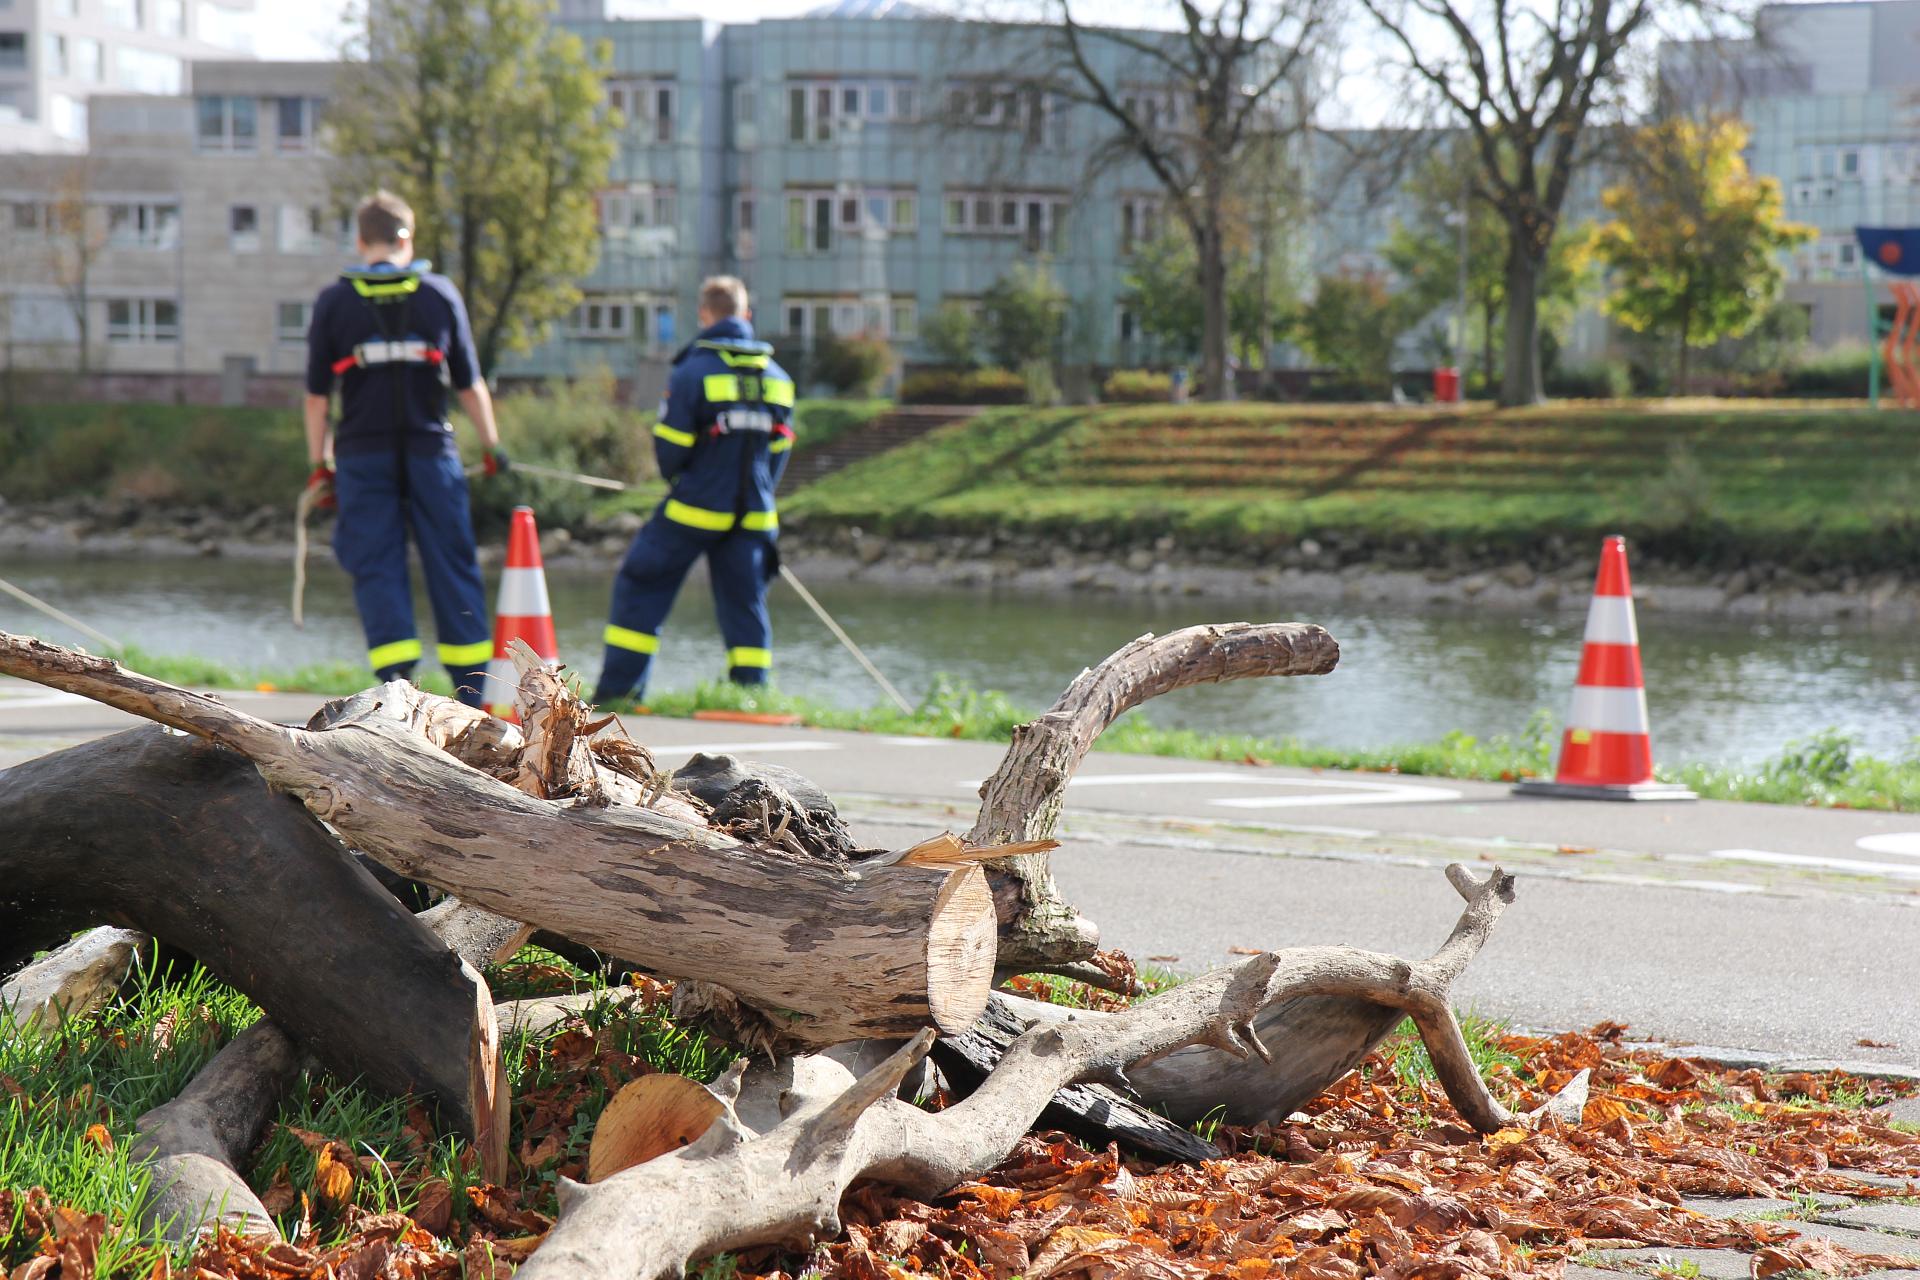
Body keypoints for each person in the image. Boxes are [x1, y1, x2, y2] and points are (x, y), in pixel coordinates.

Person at [302, 190, 508, 709]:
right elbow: (470, 382)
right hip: (431, 450)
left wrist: (318, 463)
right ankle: (472, 694)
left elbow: (315, 397)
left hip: (361, 455)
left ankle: (397, 690)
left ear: (360, 240)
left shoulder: (334, 301)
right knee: (452, 562)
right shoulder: (439, 294)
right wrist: (492, 446)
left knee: (377, 563)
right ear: (407, 237)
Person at [592, 276, 796, 705]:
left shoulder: (691, 372)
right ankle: (752, 698)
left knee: (640, 584)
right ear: (746, 315)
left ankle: (619, 695)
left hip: (694, 510)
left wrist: (687, 482)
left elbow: (671, 449)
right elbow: (778, 452)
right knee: (745, 605)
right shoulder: (779, 378)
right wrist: (757, 492)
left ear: (704, 315)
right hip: (754, 515)